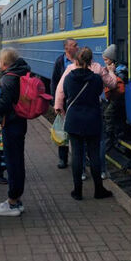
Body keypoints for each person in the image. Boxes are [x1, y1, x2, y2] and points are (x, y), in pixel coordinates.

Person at [62, 47, 113, 200]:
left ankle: (77, 191)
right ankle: (99, 190)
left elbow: (67, 94)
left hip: (74, 120)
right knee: (94, 154)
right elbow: (98, 93)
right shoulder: (96, 79)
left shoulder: (69, 78)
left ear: (76, 60)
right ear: (91, 61)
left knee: (77, 155)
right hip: (92, 119)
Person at [0, 48, 30, 217]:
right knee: (18, 160)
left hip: (11, 123)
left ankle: (12, 201)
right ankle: (17, 199)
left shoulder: (8, 78)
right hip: (20, 121)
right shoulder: (22, 72)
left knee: (12, 162)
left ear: (4, 63)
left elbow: (4, 105)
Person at [51, 39, 78, 169]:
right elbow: (54, 82)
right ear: (67, 48)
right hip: (64, 101)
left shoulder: (79, 60)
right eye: (74, 45)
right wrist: (55, 102)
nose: (77, 47)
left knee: (77, 131)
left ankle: (79, 158)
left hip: (76, 101)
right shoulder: (60, 61)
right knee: (63, 130)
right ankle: (63, 159)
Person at [100, 45, 125, 180]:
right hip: (113, 99)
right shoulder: (113, 68)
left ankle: (110, 137)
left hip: (116, 100)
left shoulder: (119, 70)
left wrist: (111, 73)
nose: (105, 62)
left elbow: (114, 84)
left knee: (108, 115)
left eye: (106, 60)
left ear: (112, 59)